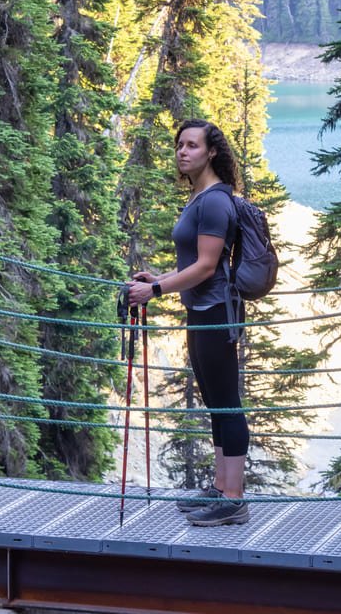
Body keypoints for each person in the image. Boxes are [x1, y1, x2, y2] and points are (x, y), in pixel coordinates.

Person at [125, 119, 250, 527]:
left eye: (192, 145)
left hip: (215, 315)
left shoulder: (214, 201)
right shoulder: (201, 197)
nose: (182, 152)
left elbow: (206, 266)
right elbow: (193, 263)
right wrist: (157, 278)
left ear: (211, 152)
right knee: (217, 401)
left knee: (227, 403)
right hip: (202, 313)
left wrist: (156, 291)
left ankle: (234, 499)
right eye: (179, 145)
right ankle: (221, 488)